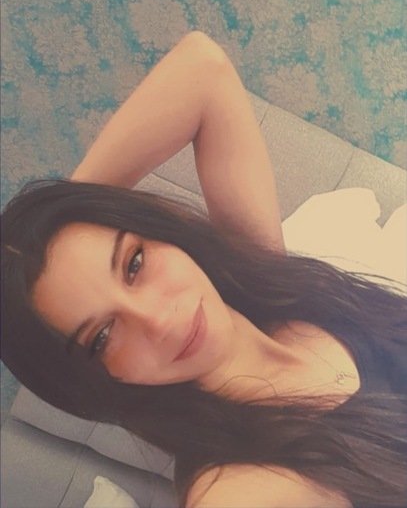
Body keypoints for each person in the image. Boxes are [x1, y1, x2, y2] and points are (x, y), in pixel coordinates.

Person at [1, 31, 406, 508]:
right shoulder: (237, 486)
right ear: (96, 381)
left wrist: (57, 217)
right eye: (103, 337)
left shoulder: (271, 286)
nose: (158, 319)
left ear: (161, 237)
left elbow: (202, 68)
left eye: (134, 264)